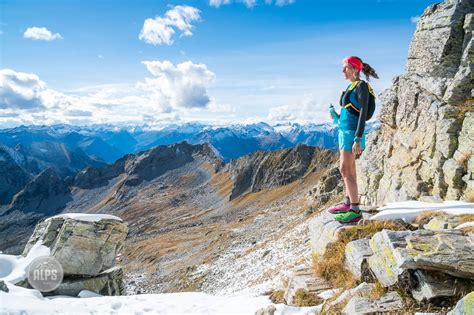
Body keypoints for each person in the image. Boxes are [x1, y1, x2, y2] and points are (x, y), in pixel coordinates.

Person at [328, 56, 379, 223]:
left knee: (345, 169)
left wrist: (358, 137)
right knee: (347, 169)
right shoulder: (351, 86)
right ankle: (348, 202)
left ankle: (355, 211)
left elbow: (363, 113)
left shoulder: (362, 86)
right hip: (344, 131)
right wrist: (336, 116)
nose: (343, 71)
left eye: (346, 67)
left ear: (355, 69)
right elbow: (350, 111)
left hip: (352, 133)